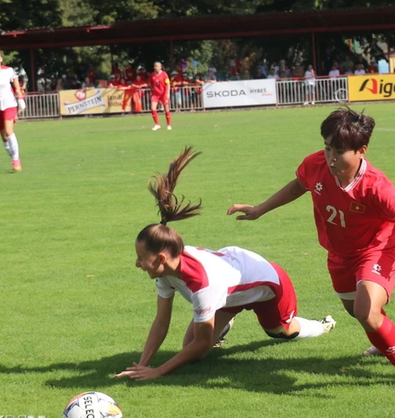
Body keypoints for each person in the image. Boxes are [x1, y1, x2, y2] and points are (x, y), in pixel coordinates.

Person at [228, 108, 395, 390]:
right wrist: (260, 209)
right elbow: (299, 185)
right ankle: (385, 340)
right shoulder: (316, 164)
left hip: (376, 251)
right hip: (339, 255)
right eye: (327, 147)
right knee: (359, 312)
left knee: (367, 312)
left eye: (340, 151)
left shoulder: (376, 187)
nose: (331, 157)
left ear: (361, 151)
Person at [116, 147, 336, 381]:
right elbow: (161, 321)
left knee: (281, 331)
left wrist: (157, 372)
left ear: (161, 258)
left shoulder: (202, 284)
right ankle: (226, 317)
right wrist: (142, 365)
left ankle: (322, 325)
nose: (137, 263)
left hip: (269, 286)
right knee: (189, 348)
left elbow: (201, 344)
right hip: (230, 287)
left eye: (141, 258)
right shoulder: (166, 269)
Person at [149, 62, 171, 131]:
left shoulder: (164, 74)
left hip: (163, 94)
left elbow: (168, 84)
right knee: (153, 108)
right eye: (155, 66)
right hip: (155, 94)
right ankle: (157, 124)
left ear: (161, 67)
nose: (156, 67)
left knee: (166, 109)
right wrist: (151, 91)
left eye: (157, 66)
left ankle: (168, 125)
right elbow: (150, 84)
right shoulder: (152, 75)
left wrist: (167, 93)